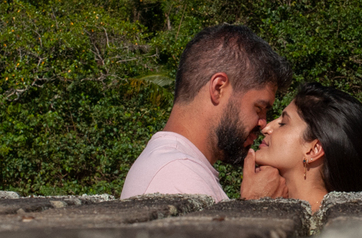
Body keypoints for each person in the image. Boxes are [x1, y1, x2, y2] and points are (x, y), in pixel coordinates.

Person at [121, 24, 293, 202]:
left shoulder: (180, 168)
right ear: (218, 88)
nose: (263, 123)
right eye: (259, 108)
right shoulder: (176, 175)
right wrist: (258, 205)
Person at [253, 82, 362, 212]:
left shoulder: (329, 228)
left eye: (283, 123)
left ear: (313, 150)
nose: (266, 128)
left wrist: (253, 203)